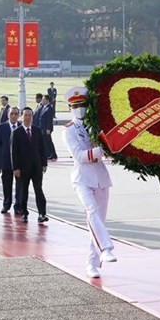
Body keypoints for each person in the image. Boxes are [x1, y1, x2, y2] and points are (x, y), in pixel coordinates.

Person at [63, 87, 116, 279]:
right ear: (70, 107)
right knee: (92, 211)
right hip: (82, 178)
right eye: (76, 106)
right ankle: (106, 247)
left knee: (98, 221)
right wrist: (101, 151)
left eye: (83, 105)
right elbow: (79, 156)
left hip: (101, 178)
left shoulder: (96, 125)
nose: (80, 109)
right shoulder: (69, 130)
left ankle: (92, 263)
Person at [11, 107, 48, 224]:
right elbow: (14, 152)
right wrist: (15, 168)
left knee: (39, 190)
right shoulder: (16, 133)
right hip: (22, 169)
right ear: (22, 117)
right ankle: (24, 213)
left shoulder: (37, 130)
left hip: (36, 167)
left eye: (30, 115)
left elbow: (42, 148)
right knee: (23, 192)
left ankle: (42, 213)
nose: (28, 118)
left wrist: (44, 163)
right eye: (25, 115)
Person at [0, 106, 22, 214]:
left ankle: (18, 205)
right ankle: (6, 204)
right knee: (7, 184)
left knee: (20, 185)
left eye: (16, 114)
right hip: (6, 161)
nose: (13, 116)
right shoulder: (1, 127)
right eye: (11, 113)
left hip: (19, 162)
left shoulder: (22, 127)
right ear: (8, 115)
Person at [38, 95, 57, 161]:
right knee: (47, 141)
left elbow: (49, 119)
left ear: (47, 100)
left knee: (47, 142)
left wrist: (48, 128)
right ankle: (51, 154)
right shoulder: (44, 107)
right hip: (42, 128)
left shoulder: (49, 108)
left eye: (43, 99)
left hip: (46, 128)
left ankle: (50, 155)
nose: (42, 101)